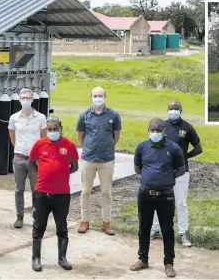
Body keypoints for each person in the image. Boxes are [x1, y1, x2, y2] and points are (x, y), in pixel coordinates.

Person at [130, 118, 185, 278]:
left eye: (158, 130)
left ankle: (169, 263)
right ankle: (143, 259)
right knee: (144, 228)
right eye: (152, 130)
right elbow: (138, 168)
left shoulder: (174, 149)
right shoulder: (141, 147)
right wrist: (151, 178)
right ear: (148, 130)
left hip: (166, 196)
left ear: (164, 131)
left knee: (167, 230)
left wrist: (165, 178)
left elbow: (180, 170)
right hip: (145, 194)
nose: (155, 133)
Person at [28, 116, 79, 272]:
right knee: (39, 226)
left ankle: (62, 258)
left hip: (62, 194)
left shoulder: (69, 145)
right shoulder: (39, 144)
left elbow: (74, 167)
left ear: (61, 128)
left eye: (55, 128)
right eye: (49, 129)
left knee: (62, 226)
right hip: (42, 192)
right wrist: (44, 174)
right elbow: (31, 163)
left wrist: (61, 174)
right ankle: (36, 258)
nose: (52, 132)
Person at [150, 100, 203, 247]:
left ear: (181, 110)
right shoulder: (161, 126)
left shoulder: (187, 127)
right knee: (157, 200)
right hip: (163, 171)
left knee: (181, 202)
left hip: (181, 171)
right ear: (167, 109)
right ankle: (155, 230)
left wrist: (184, 157)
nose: (173, 110)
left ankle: (183, 233)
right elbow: (154, 145)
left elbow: (199, 148)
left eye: (176, 108)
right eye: (171, 108)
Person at [76, 86, 122, 235]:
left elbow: (116, 136)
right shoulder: (84, 115)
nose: (98, 98)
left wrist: (106, 147)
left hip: (106, 159)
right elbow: (80, 137)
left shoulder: (113, 115)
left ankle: (106, 223)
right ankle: (84, 221)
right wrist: (89, 147)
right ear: (91, 97)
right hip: (88, 158)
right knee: (85, 191)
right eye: (95, 95)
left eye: (100, 95)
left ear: (105, 97)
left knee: (106, 192)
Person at [8, 88, 47, 228]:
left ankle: (36, 216)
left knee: (36, 189)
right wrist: (19, 150)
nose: (25, 100)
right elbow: (12, 136)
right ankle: (19, 216)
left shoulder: (41, 118)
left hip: (35, 159)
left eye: (28, 98)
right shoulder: (14, 118)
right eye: (23, 98)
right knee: (19, 189)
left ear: (32, 100)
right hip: (19, 158)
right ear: (19, 100)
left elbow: (43, 138)